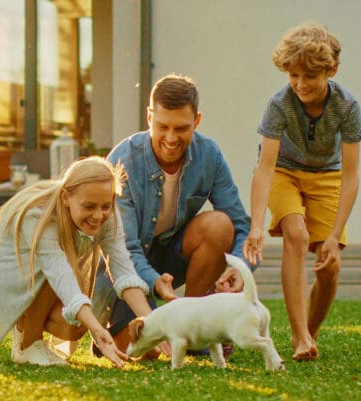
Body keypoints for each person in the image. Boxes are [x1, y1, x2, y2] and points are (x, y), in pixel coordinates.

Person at [100, 73, 252, 354]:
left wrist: (240, 268)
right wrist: (154, 284)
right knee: (146, 350)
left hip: (170, 256)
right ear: (149, 118)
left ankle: (193, 329)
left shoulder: (209, 155)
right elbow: (124, 249)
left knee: (220, 224)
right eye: (162, 126)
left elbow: (241, 224)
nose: (171, 138)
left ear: (197, 121)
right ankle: (130, 329)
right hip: (123, 266)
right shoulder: (122, 160)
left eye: (182, 128)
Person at [0, 156, 154, 367]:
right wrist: (98, 329)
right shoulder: (40, 215)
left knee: (73, 326)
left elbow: (124, 272)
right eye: (89, 207)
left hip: (36, 273)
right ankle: (27, 344)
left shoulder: (107, 214)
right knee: (64, 282)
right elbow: (59, 274)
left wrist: (155, 325)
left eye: (106, 206)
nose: (99, 215)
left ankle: (26, 331)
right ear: (66, 197)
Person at [243, 23, 361, 362]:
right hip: (284, 172)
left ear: (332, 70)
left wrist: (336, 234)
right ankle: (298, 335)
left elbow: (351, 175)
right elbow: (265, 168)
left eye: (309, 76)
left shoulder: (347, 106)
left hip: (328, 175)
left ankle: (310, 333)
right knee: (295, 233)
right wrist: (256, 226)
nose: (300, 84)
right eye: (293, 75)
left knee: (329, 266)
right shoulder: (279, 104)